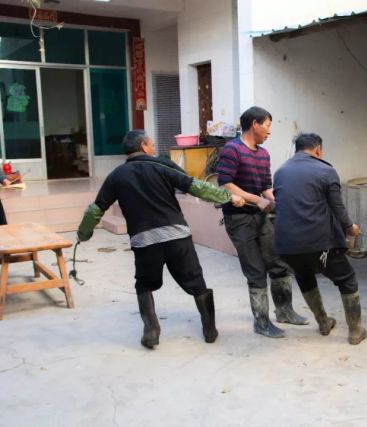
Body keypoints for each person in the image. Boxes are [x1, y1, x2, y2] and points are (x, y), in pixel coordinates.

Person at [77, 130, 245, 349]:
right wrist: (229, 197)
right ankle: (210, 329)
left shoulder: (116, 176)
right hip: (176, 235)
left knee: (144, 284)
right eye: (152, 144)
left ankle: (151, 331)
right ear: (144, 146)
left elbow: (95, 210)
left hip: (144, 240)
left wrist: (84, 233)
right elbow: (197, 187)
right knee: (196, 282)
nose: (154, 148)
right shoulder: (163, 167)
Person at [217, 106, 307, 338]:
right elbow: (225, 182)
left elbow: (266, 186)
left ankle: (285, 311)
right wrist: (256, 199)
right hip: (238, 219)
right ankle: (261, 322)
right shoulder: (232, 150)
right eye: (267, 125)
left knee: (278, 263)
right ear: (254, 124)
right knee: (255, 270)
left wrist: (278, 201)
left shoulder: (263, 154)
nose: (269, 131)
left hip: (260, 217)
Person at [273, 133, 367, 345]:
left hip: (285, 245)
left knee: (304, 275)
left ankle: (323, 322)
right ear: (318, 150)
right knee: (346, 279)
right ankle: (355, 332)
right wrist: (350, 227)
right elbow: (338, 207)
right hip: (319, 242)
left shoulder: (280, 172)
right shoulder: (326, 170)